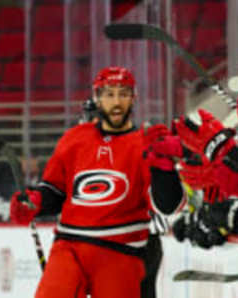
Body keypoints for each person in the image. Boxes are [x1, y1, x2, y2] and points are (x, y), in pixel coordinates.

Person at [10, 66, 183, 298]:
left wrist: (164, 168)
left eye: (123, 93)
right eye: (109, 94)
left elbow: (167, 206)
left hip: (121, 250)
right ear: (97, 97)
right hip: (70, 246)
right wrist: (36, 201)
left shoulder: (145, 142)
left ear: (134, 98)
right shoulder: (74, 138)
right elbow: (55, 190)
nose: (117, 101)